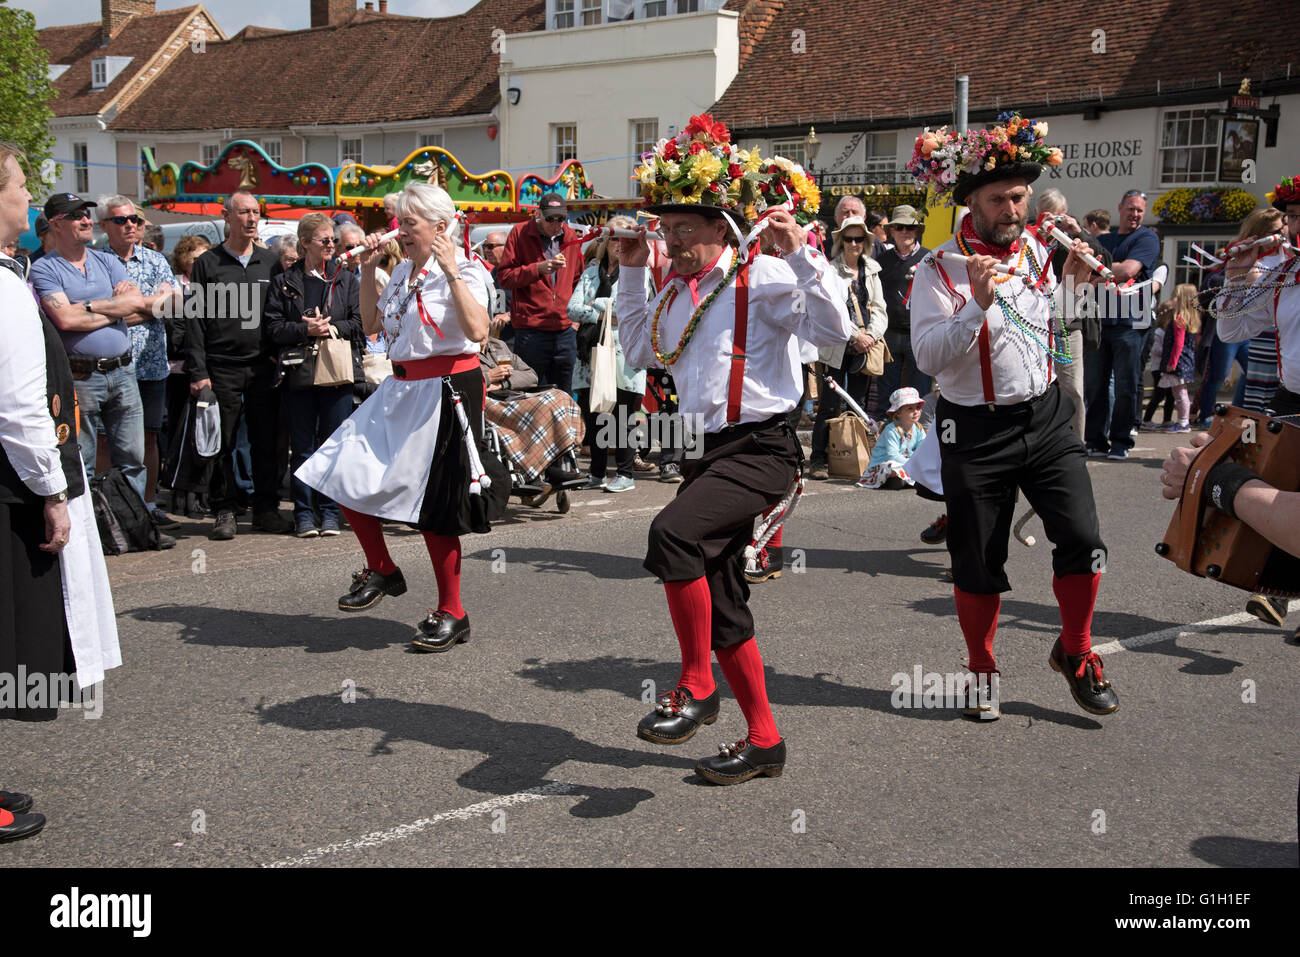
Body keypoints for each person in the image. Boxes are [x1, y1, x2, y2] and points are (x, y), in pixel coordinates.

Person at [616, 117, 853, 783]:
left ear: (721, 225)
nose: (674, 236)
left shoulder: (764, 274)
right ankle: (765, 739)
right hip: (705, 452)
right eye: (668, 226)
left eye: (687, 225)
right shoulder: (670, 289)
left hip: (762, 449)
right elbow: (639, 350)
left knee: (671, 535)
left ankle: (697, 683)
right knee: (721, 598)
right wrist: (634, 271)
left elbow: (834, 331)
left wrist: (804, 250)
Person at [908, 112, 1116, 720]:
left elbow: (1055, 324)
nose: (1012, 209)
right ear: (970, 202)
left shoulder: (1040, 250)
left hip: (1047, 415)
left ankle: (1075, 652)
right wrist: (975, 305)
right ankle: (980, 668)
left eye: (1019, 197)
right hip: (975, 427)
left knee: (1083, 539)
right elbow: (928, 358)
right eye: (999, 198)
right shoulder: (936, 268)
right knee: (976, 561)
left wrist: (1078, 287)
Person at [296, 181, 503, 653]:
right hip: (401, 386)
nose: (400, 233)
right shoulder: (405, 272)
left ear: (441, 228)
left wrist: (449, 269)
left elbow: (477, 331)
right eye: (399, 224)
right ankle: (383, 569)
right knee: (340, 469)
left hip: (447, 388)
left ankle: (452, 610)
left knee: (437, 506)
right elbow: (371, 327)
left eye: (410, 224)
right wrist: (370, 271)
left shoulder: (468, 271)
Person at [0, 142, 120, 842]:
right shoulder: (7, 287)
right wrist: (52, 491)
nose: (25, 197)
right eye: (18, 185)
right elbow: (17, 407)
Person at [1212, 176, 1300, 633]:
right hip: (1291, 397)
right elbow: (1231, 332)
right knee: (1282, 493)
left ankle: (1277, 593)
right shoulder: (1282, 272)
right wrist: (1237, 275)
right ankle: (1277, 592)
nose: (1298, 226)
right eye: (1296, 218)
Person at [185, 190, 293, 540]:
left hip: (263, 366)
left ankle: (266, 509)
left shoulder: (270, 261)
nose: (251, 219)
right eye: (243, 212)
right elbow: (195, 320)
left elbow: (280, 314)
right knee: (223, 442)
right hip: (221, 367)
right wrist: (199, 372)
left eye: (255, 212)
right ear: (227, 217)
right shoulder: (208, 263)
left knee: (267, 441)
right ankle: (225, 508)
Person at [29, 193, 150, 502]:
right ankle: (93, 532)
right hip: (82, 377)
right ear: (57, 223)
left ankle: (135, 526)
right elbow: (65, 320)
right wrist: (114, 309)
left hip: (123, 371)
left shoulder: (106, 260)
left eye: (86, 214)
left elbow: (136, 303)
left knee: (133, 459)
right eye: (77, 215)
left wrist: (86, 307)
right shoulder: (45, 269)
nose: (87, 220)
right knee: (83, 460)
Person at [265, 213, 363, 539]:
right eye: (324, 240)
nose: (330, 246)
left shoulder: (346, 279)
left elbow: (359, 325)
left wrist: (331, 327)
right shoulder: (284, 281)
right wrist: (304, 329)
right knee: (303, 447)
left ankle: (331, 513)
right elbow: (273, 328)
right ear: (304, 242)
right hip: (298, 371)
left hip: (336, 371)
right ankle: (304, 514)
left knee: (333, 445)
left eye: (333, 240)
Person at [97, 196, 178, 532]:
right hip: (109, 365)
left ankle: (146, 504)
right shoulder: (96, 262)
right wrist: (148, 305)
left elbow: (172, 306)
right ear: (104, 226)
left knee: (148, 438)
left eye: (135, 219)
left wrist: (124, 308)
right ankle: (104, 506)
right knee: (105, 438)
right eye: (121, 220)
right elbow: (98, 311)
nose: (130, 225)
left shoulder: (156, 260)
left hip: (150, 366)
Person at [569, 214, 645, 493]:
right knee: (596, 415)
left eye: (625, 238)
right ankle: (597, 473)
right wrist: (606, 313)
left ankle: (625, 474)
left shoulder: (639, 271)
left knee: (623, 416)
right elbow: (572, 308)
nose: (619, 243)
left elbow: (632, 310)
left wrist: (598, 304)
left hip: (624, 352)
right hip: (590, 352)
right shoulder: (591, 272)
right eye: (615, 237)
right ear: (606, 241)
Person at [807, 215, 886, 479]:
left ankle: (855, 456)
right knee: (830, 404)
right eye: (849, 239)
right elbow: (833, 311)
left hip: (866, 346)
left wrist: (871, 336)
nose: (854, 244)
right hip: (838, 345)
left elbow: (879, 309)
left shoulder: (872, 269)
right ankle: (818, 459)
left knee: (859, 404)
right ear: (841, 241)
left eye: (859, 239)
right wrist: (856, 336)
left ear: (866, 242)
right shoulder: (830, 269)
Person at [1084, 188, 1160, 460]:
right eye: (1131, 208)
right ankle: (1094, 439)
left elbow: (1128, 270)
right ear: (1120, 208)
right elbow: (1086, 267)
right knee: (1095, 384)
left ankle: (1120, 442)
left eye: (1140, 209)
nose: (1135, 214)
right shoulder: (1109, 239)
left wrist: (1101, 270)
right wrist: (1101, 271)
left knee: (1127, 385)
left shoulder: (1147, 238)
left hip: (1132, 321)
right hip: (1101, 320)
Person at [1032, 188, 1109, 440]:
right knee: (1035, 387)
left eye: (1057, 216)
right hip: (1033, 322)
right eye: (1046, 215)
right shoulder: (1027, 240)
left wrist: (1078, 232)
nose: (1051, 222)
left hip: (1069, 324)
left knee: (1073, 388)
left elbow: (1104, 263)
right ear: (1035, 213)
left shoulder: (1071, 241)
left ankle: (1075, 444)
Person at [495, 193, 584, 394]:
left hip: (565, 331)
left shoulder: (570, 236)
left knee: (564, 393)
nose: (556, 223)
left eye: (560, 218)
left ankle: (564, 426)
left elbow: (579, 279)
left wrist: (575, 321)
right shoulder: (520, 233)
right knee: (530, 392)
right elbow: (505, 277)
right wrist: (538, 269)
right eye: (550, 218)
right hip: (531, 330)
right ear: (539, 215)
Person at [874, 204, 930, 416]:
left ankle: (920, 436)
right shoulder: (881, 262)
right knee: (886, 391)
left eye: (909, 227)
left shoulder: (929, 259)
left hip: (919, 333)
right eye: (899, 227)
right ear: (891, 231)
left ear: (917, 230)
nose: (904, 231)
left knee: (920, 389)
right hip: (889, 333)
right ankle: (884, 433)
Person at [1153, 284, 1202, 432]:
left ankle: (1183, 422)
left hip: (1178, 362)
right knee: (1178, 392)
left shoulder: (1179, 319)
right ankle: (1182, 420)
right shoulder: (1190, 317)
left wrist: (1172, 363)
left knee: (1180, 393)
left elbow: (1178, 343)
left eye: (1176, 297)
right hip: (1184, 361)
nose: (1172, 299)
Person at [856, 387, 926, 488]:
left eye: (918, 408)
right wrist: (911, 464)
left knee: (930, 465)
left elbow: (922, 450)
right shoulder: (892, 429)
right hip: (883, 464)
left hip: (907, 463)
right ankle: (897, 479)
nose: (915, 411)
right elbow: (892, 455)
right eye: (910, 408)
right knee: (892, 467)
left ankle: (904, 480)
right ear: (898, 413)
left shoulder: (918, 428)